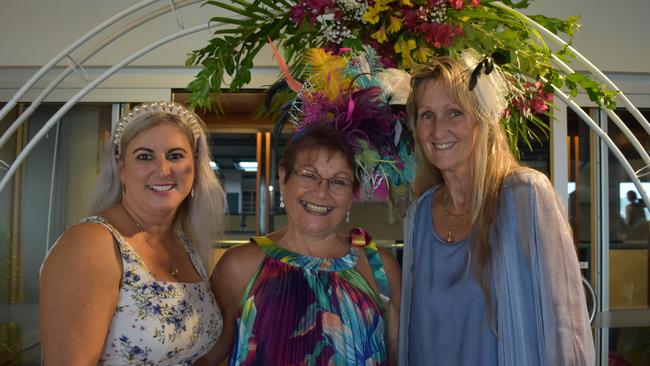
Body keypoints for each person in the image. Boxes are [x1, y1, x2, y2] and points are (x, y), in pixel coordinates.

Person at [398, 51, 595, 365]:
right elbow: (413, 335)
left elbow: (566, 329)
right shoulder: (419, 215)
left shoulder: (526, 196)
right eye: (427, 115)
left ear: (482, 119)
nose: (437, 130)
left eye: (454, 113)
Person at [40, 101, 225, 365]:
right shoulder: (92, 244)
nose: (163, 170)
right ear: (121, 166)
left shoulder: (185, 245)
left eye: (175, 155)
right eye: (144, 156)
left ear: (194, 166)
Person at [202, 124, 401, 365]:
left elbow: (399, 355)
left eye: (339, 182)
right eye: (308, 175)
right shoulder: (240, 266)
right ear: (283, 177)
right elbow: (205, 358)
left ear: (353, 194)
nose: (321, 192)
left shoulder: (379, 266)